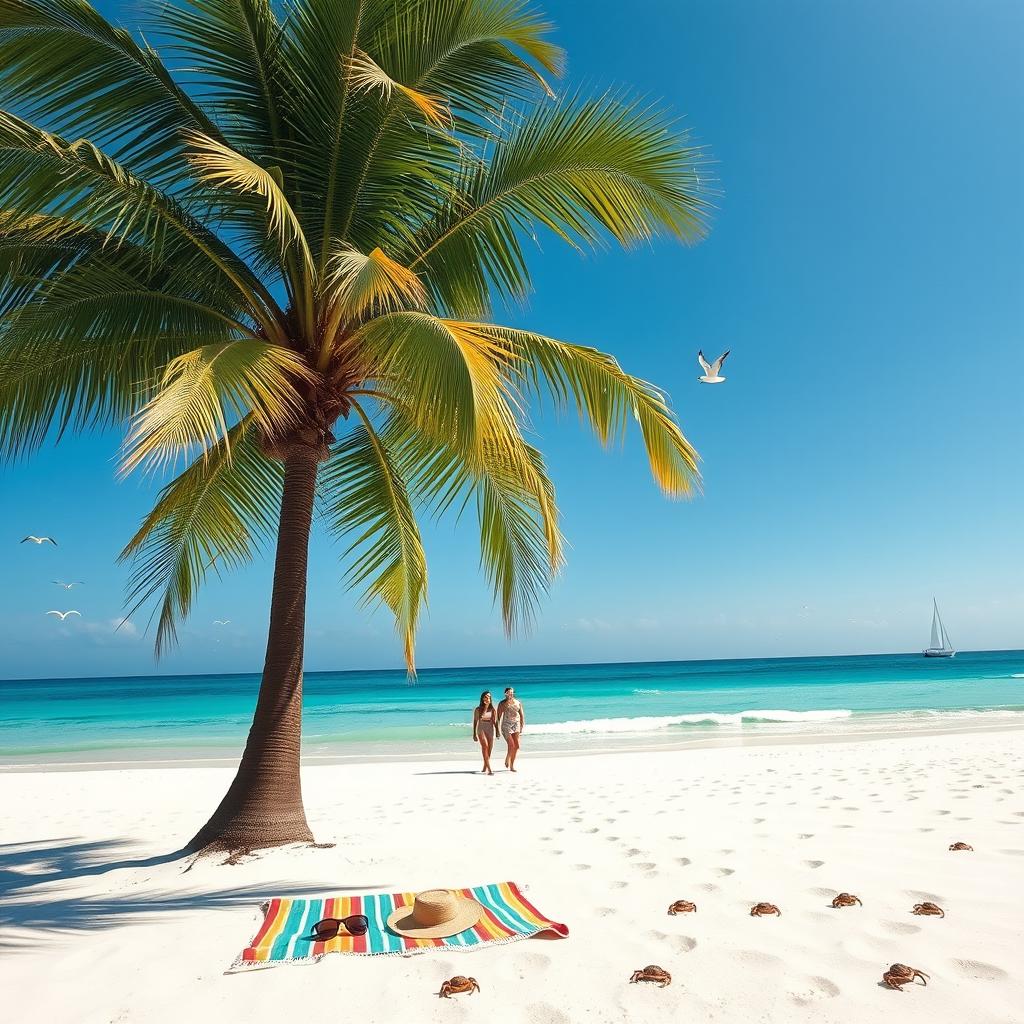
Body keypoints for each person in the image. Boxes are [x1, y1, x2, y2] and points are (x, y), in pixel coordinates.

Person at [497, 686, 525, 771]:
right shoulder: (502, 703)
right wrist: (497, 730)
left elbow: (521, 714)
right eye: (508, 693)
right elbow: (498, 717)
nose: (510, 694)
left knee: (516, 746)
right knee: (511, 744)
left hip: (516, 724)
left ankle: (512, 765)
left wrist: (522, 724)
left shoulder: (518, 702)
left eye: (512, 693)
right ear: (505, 694)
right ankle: (508, 758)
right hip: (506, 725)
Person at [472, 690, 496, 775]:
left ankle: (485, 766)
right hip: (481, 729)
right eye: (485, 697)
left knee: (489, 749)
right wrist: (474, 734)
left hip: (490, 729)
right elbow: (475, 721)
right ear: (482, 698)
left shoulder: (492, 709)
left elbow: (494, 721)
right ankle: (489, 770)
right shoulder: (478, 709)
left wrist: (497, 732)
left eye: (489, 697)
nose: (487, 698)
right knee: (485, 747)